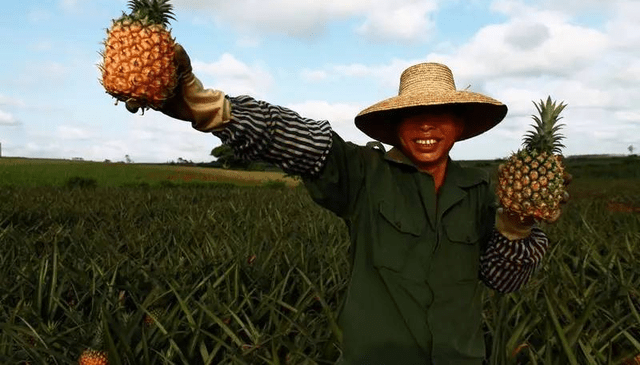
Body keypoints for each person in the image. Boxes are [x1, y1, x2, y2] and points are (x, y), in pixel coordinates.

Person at [126, 45, 556, 364]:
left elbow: (503, 280)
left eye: (441, 113)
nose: (427, 125)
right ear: (394, 125)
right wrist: (207, 105)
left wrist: (517, 226)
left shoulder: (482, 191)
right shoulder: (362, 174)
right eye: (414, 114)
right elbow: (291, 137)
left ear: (459, 126)